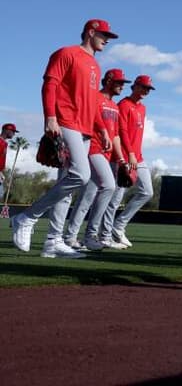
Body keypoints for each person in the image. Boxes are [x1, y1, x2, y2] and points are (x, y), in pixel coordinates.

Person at [12, 19, 117, 258]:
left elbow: (92, 101)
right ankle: (27, 217)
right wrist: (50, 117)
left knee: (68, 186)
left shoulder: (95, 64)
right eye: (104, 34)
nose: (107, 39)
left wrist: (101, 129)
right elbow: (50, 84)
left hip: (86, 128)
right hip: (66, 121)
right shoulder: (66, 53)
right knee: (81, 175)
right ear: (91, 32)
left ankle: (53, 242)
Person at [63, 68, 130, 250]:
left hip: (106, 154)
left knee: (87, 196)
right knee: (109, 186)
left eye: (123, 83)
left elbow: (116, 136)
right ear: (108, 81)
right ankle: (90, 235)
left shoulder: (115, 106)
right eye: (119, 82)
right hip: (92, 148)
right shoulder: (95, 97)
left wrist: (121, 160)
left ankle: (70, 237)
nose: (122, 86)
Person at [100, 74, 156, 248]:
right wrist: (129, 154)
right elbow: (121, 131)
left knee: (147, 192)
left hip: (138, 157)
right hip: (123, 157)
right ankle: (105, 235)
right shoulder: (123, 105)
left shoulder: (142, 108)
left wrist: (135, 154)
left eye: (149, 89)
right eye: (144, 87)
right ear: (135, 86)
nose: (146, 91)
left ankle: (118, 226)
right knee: (115, 199)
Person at [0, 123, 19, 202]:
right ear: (6, 130)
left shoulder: (4, 142)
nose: (14, 134)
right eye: (13, 131)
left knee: (1, 193)